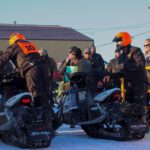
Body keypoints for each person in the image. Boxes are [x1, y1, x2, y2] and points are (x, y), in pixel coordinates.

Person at [0, 33, 51, 107]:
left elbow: (3, 59)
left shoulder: (16, 45)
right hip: (44, 68)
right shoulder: (30, 44)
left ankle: (39, 116)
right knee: (45, 96)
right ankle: (50, 115)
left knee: (36, 95)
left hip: (32, 69)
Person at [104, 32, 147, 108]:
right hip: (129, 85)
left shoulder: (135, 50)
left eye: (118, 41)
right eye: (116, 42)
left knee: (139, 107)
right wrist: (110, 76)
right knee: (127, 106)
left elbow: (141, 65)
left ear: (125, 40)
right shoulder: (122, 56)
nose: (117, 44)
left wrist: (125, 65)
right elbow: (121, 73)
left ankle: (143, 119)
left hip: (139, 83)